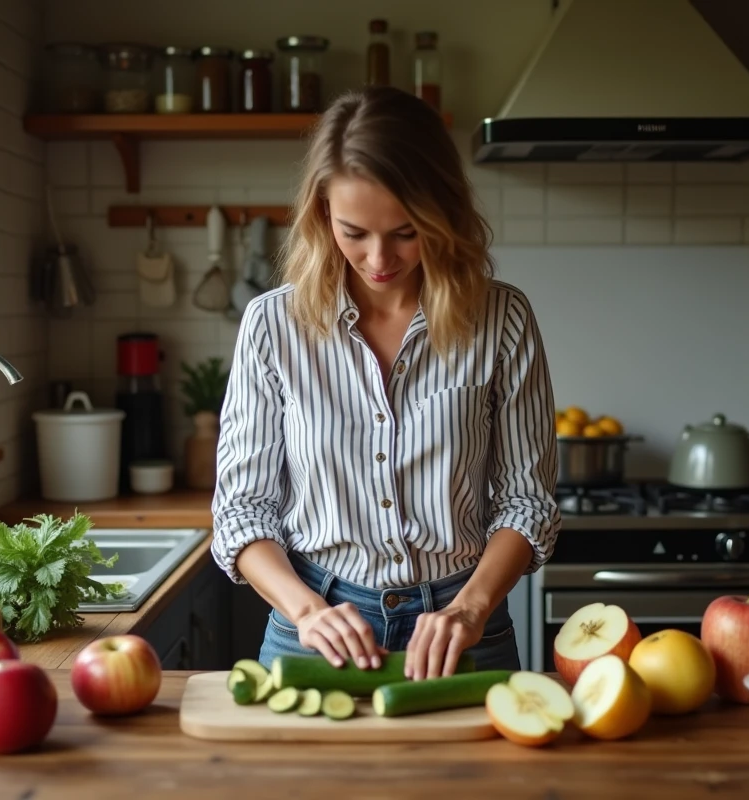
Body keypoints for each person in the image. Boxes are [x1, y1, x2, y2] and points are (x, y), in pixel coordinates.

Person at [210, 85, 560, 681]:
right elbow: (243, 510)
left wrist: (470, 607)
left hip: (463, 629)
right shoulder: (273, 325)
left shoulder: (502, 318)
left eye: (404, 231)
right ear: (323, 214)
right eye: (354, 232)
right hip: (313, 630)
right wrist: (307, 611)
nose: (378, 259)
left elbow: (527, 501)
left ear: (442, 212)